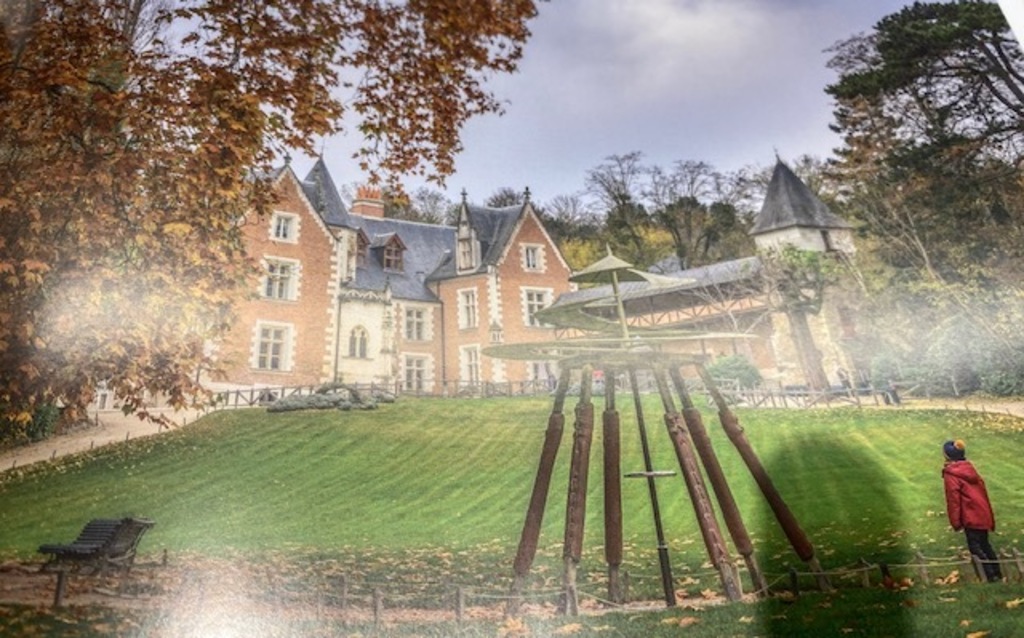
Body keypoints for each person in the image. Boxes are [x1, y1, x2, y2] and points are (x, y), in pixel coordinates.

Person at [942, 439, 1002, 582]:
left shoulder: (951, 474)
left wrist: (956, 522)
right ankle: (996, 572)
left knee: (976, 548)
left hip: (971, 515)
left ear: (947, 456)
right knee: (984, 544)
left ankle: (989, 576)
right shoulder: (969, 468)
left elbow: (953, 500)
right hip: (981, 513)